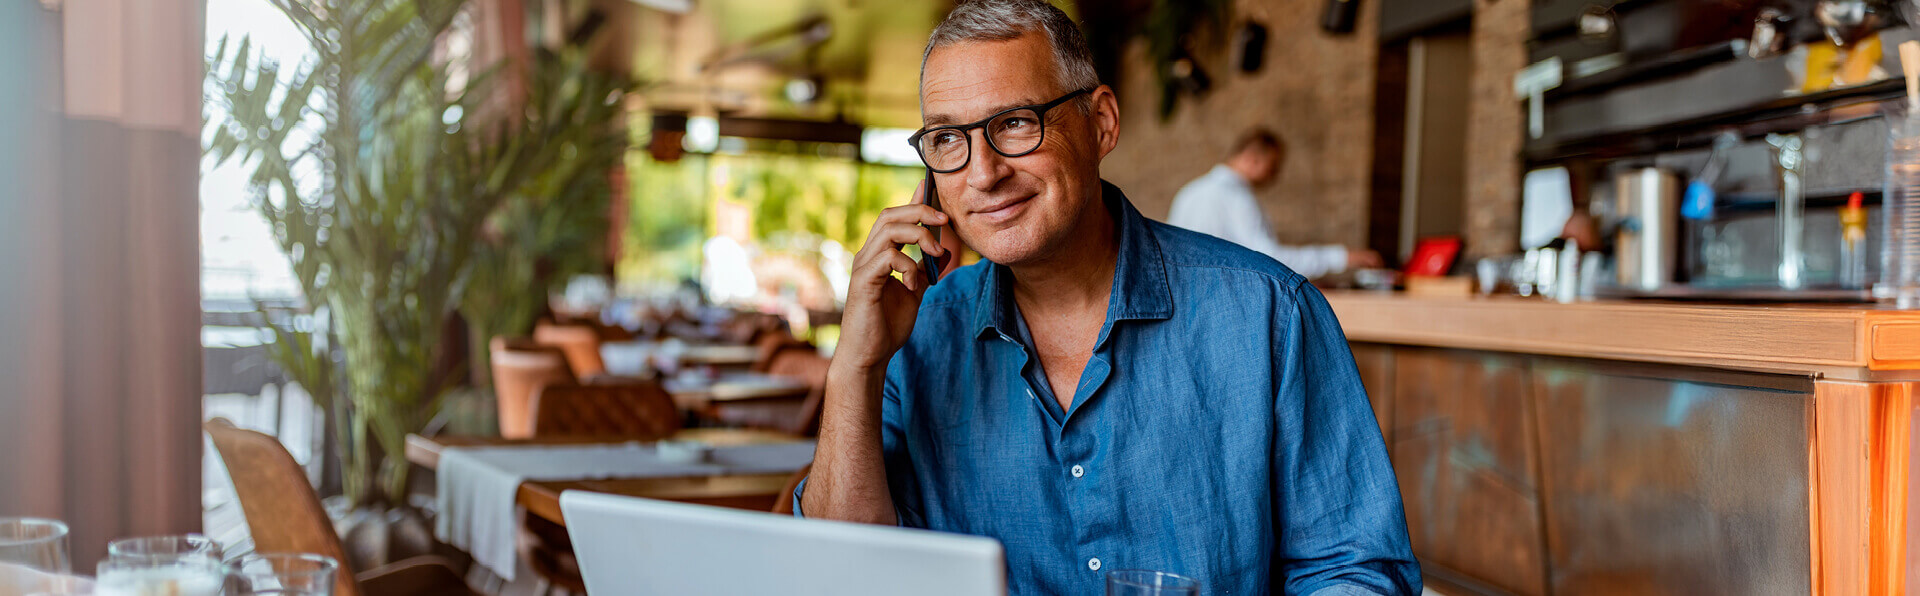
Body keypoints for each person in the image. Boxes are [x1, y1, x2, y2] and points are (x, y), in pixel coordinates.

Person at [795, 1, 1421, 594]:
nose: (982, 174)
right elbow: (842, 574)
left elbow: (1355, 568)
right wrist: (856, 362)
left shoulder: (1269, 314)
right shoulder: (920, 334)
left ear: (1100, 124)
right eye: (948, 139)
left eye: (1015, 123)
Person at [1166, 130, 1384, 279]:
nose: (1274, 176)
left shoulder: (1189, 192)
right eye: (1273, 167)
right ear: (1253, 158)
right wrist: (1340, 257)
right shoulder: (1237, 197)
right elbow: (1269, 260)